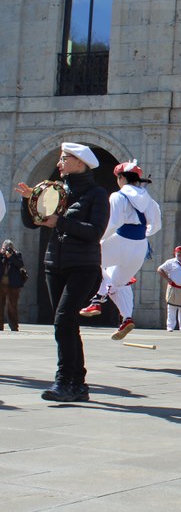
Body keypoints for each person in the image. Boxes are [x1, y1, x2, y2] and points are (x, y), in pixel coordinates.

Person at [16, 142, 109, 402]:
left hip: (83, 266)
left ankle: (63, 381)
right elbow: (32, 224)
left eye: (64, 158)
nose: (59, 163)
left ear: (80, 162)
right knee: (67, 325)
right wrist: (29, 202)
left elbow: (95, 232)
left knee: (63, 321)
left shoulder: (97, 193)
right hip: (53, 265)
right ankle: (77, 384)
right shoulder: (56, 190)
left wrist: (61, 221)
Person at [79, 160, 161, 341]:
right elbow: (156, 225)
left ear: (121, 177)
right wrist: (143, 235)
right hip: (140, 246)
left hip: (120, 239)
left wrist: (99, 238)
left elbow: (113, 222)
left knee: (91, 258)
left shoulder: (118, 196)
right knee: (118, 283)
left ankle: (97, 300)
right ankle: (126, 317)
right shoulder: (150, 201)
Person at [157, 246, 181, 332]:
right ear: (175, 253)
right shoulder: (170, 262)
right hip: (174, 287)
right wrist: (168, 279)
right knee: (172, 307)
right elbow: (160, 269)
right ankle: (170, 327)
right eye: (178, 252)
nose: (179, 253)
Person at [0, 240, 25, 331]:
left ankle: (14, 326)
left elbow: (20, 265)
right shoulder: (1, 255)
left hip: (13, 285)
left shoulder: (17, 255)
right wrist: (2, 254)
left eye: (8, 247)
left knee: (12, 306)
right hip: (1, 285)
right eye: (4, 247)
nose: (6, 249)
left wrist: (11, 256)